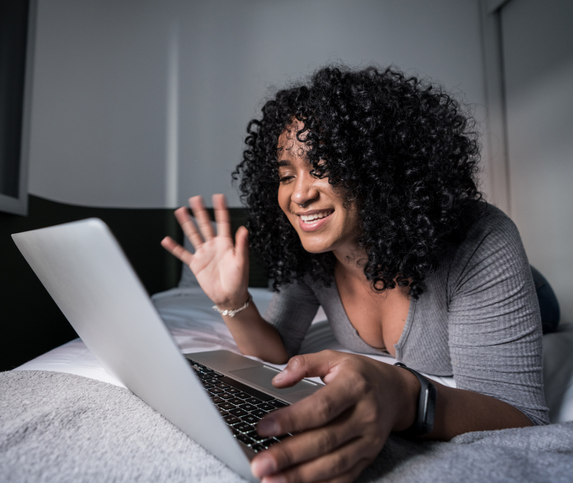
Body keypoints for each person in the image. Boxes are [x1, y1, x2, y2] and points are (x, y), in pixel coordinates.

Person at [161, 65, 548, 483]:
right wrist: (231, 301)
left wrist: (403, 394)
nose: (300, 193)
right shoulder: (313, 255)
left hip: (526, 287)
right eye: (286, 175)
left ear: (380, 167)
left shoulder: (480, 240)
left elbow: (519, 416)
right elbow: (278, 353)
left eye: (324, 165)